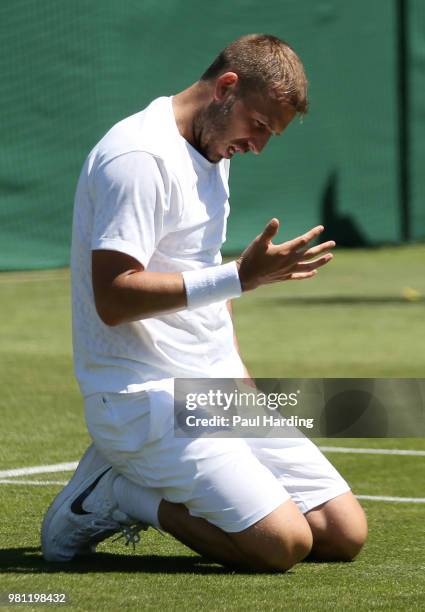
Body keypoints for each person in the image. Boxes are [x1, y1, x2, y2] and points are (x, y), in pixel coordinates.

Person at [41, 34, 367, 571]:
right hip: (137, 398)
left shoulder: (215, 146)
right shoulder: (138, 156)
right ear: (227, 88)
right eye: (258, 127)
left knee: (342, 532)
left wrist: (238, 374)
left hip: (211, 390)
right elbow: (113, 297)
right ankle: (116, 492)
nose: (258, 146)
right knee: (282, 545)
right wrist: (240, 278)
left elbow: (204, 271)